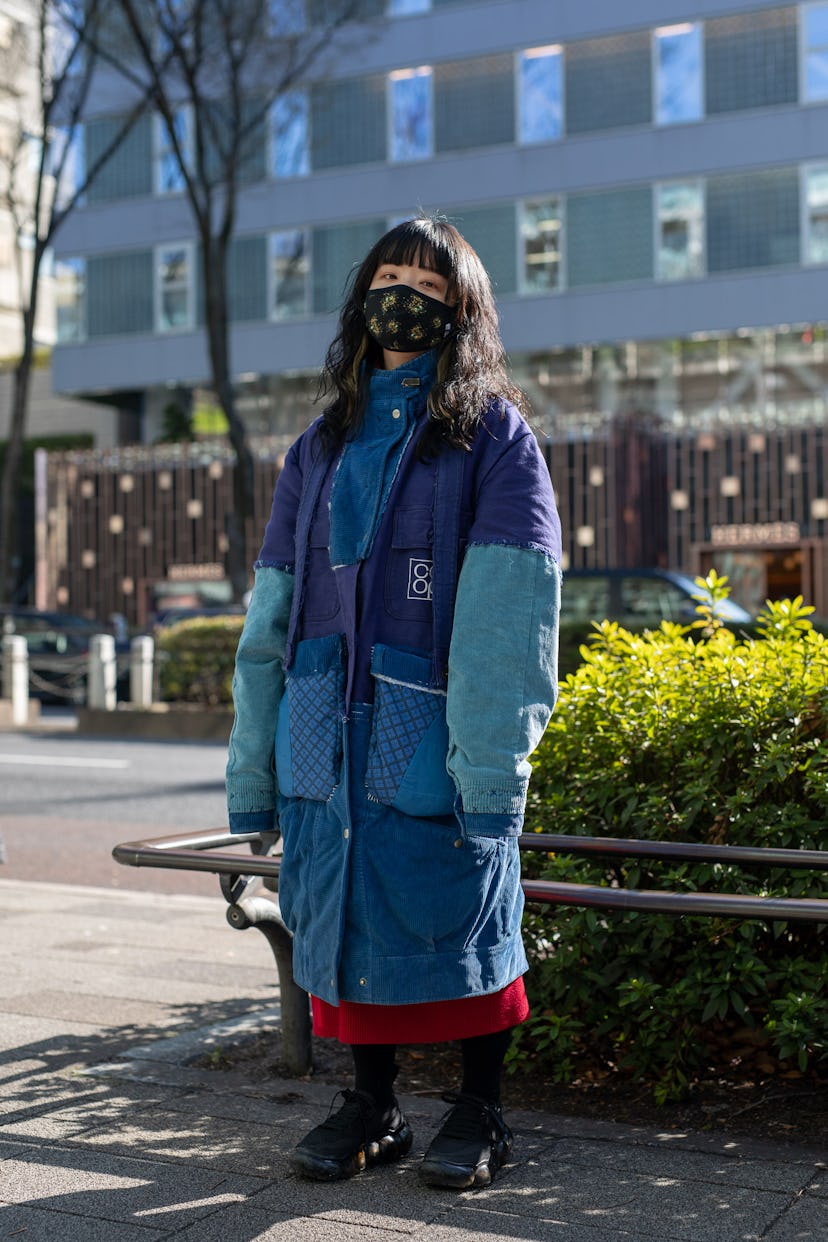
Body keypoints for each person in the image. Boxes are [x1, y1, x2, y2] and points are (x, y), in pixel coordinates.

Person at [226, 216, 561, 1189]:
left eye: (429, 278)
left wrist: (490, 772)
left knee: (460, 911)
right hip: (324, 735)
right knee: (346, 920)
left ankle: (482, 1110)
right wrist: (256, 766)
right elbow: (270, 615)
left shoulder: (493, 435)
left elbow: (510, 619)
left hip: (433, 732)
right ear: (362, 294)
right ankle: (372, 1106)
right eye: (390, 272)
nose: (405, 291)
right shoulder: (317, 446)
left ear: (463, 308)